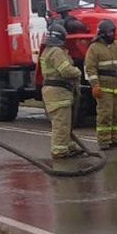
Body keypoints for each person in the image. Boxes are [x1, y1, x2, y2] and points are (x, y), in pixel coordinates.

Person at [84, 19, 117, 150]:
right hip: (104, 88)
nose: (112, 34)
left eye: (113, 32)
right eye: (109, 32)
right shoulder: (94, 48)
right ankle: (104, 140)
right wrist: (95, 85)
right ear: (102, 33)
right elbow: (90, 68)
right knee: (105, 115)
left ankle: (115, 139)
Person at [39, 23, 85, 160]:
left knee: (65, 122)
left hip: (54, 91)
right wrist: (77, 71)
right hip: (58, 92)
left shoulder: (47, 51)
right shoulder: (56, 52)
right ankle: (59, 151)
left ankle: (68, 145)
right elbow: (66, 70)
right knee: (61, 123)